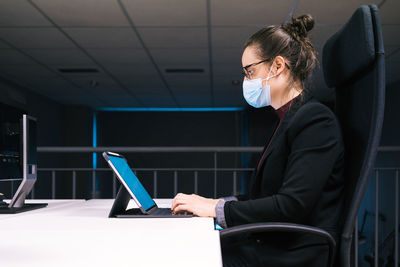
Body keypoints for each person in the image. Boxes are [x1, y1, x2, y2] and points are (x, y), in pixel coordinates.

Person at [172, 14, 345, 267]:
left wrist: (217, 210)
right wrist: (213, 203)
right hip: (272, 243)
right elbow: (265, 196)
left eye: (250, 71)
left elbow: (291, 205)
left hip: (293, 253)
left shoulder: (315, 120)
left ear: (277, 66)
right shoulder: (288, 120)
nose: (246, 81)